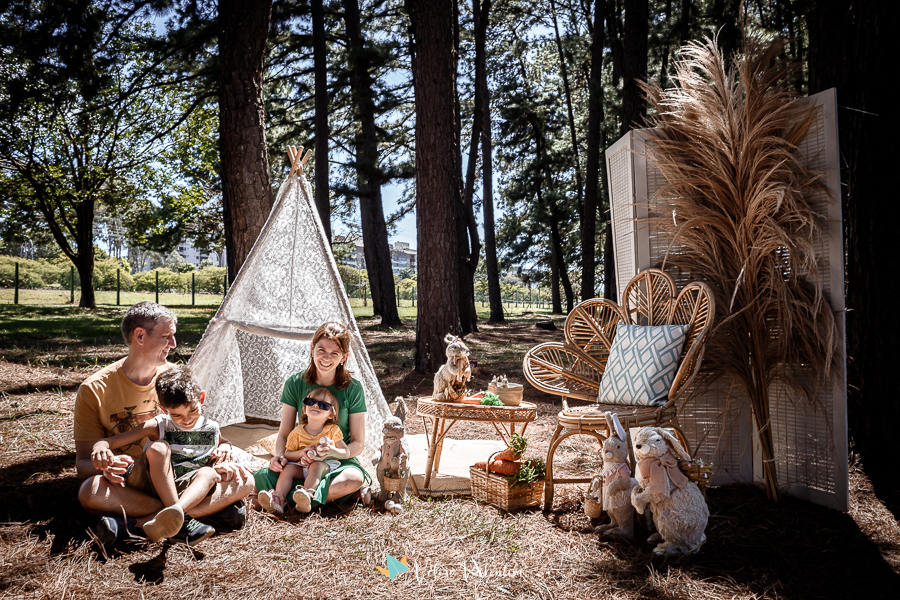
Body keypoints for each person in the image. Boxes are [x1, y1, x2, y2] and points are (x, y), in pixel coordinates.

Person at [74, 301, 254, 552]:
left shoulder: (176, 378)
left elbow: (200, 433)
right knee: (89, 492)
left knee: (246, 481)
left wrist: (224, 452)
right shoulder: (94, 389)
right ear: (140, 336)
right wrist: (105, 466)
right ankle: (195, 513)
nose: (174, 343)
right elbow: (83, 464)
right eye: (166, 336)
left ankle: (135, 526)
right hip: (133, 486)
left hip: (181, 476)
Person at [90, 365, 249, 546]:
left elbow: (222, 442)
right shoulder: (158, 425)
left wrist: (226, 447)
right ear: (164, 409)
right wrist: (100, 447)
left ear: (201, 398)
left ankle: (172, 515)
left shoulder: (211, 428)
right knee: (159, 448)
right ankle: (184, 520)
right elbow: (109, 442)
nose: (187, 420)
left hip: (183, 488)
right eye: (177, 415)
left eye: (192, 410)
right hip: (150, 483)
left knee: (225, 476)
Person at [253, 321, 370, 513]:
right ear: (312, 348)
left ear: (344, 357)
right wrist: (280, 457)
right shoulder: (295, 382)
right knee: (260, 477)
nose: (326, 358)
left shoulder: (353, 388)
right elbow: (284, 434)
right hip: (300, 459)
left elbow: (358, 443)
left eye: (334, 353)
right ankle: (316, 497)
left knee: (353, 479)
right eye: (321, 350)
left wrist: (333, 452)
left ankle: (287, 499)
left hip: (337, 461)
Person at [257, 387, 347, 517]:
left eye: (323, 405)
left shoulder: (332, 430)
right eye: (310, 402)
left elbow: (346, 452)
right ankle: (278, 500)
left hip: (324, 465)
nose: (315, 405)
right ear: (304, 408)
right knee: (287, 469)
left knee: (316, 465)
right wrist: (301, 453)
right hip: (302, 465)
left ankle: (306, 495)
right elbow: (288, 454)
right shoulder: (297, 432)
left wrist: (332, 451)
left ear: (331, 414)